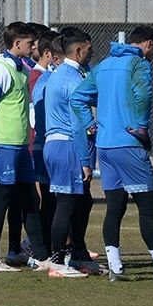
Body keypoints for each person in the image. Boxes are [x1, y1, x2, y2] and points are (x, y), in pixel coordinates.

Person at [73, 25, 153, 282]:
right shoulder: (138, 64)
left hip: (105, 146)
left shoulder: (103, 65)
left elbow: (78, 98)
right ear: (148, 44)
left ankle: (116, 268)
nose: (152, 57)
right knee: (148, 207)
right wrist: (141, 127)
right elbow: (143, 95)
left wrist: (91, 125)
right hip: (129, 144)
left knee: (115, 207)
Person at [0, 22, 50, 273]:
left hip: (19, 145)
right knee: (1, 201)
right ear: (17, 44)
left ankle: (41, 256)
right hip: (1, 144)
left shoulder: (21, 68)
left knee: (30, 199)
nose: (34, 47)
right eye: (30, 43)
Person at [43, 29, 99, 277]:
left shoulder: (58, 74)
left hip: (55, 144)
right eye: (88, 49)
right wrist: (85, 160)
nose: (91, 54)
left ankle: (74, 255)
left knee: (78, 201)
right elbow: (77, 124)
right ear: (78, 51)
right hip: (67, 145)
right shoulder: (73, 79)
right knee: (65, 204)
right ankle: (57, 260)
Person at [31, 34, 61, 263]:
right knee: (50, 200)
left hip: (46, 144)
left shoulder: (48, 78)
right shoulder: (43, 79)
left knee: (53, 200)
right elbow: (38, 118)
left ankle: (48, 250)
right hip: (46, 144)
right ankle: (45, 250)